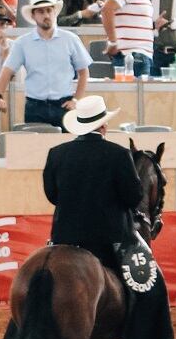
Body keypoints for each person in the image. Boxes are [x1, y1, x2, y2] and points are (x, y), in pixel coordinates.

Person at [44, 94, 143, 277]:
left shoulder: (56, 154)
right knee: (142, 284)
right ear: (104, 126)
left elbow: (52, 195)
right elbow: (133, 197)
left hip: (65, 238)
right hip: (109, 240)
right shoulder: (119, 154)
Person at [0, 0, 91, 126]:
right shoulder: (22, 43)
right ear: (33, 16)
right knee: (36, 146)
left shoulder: (70, 39)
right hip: (35, 107)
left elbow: (84, 72)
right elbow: (7, 71)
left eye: (49, 10)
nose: (46, 15)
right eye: (41, 11)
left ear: (54, 12)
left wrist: (76, 100)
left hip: (64, 106)